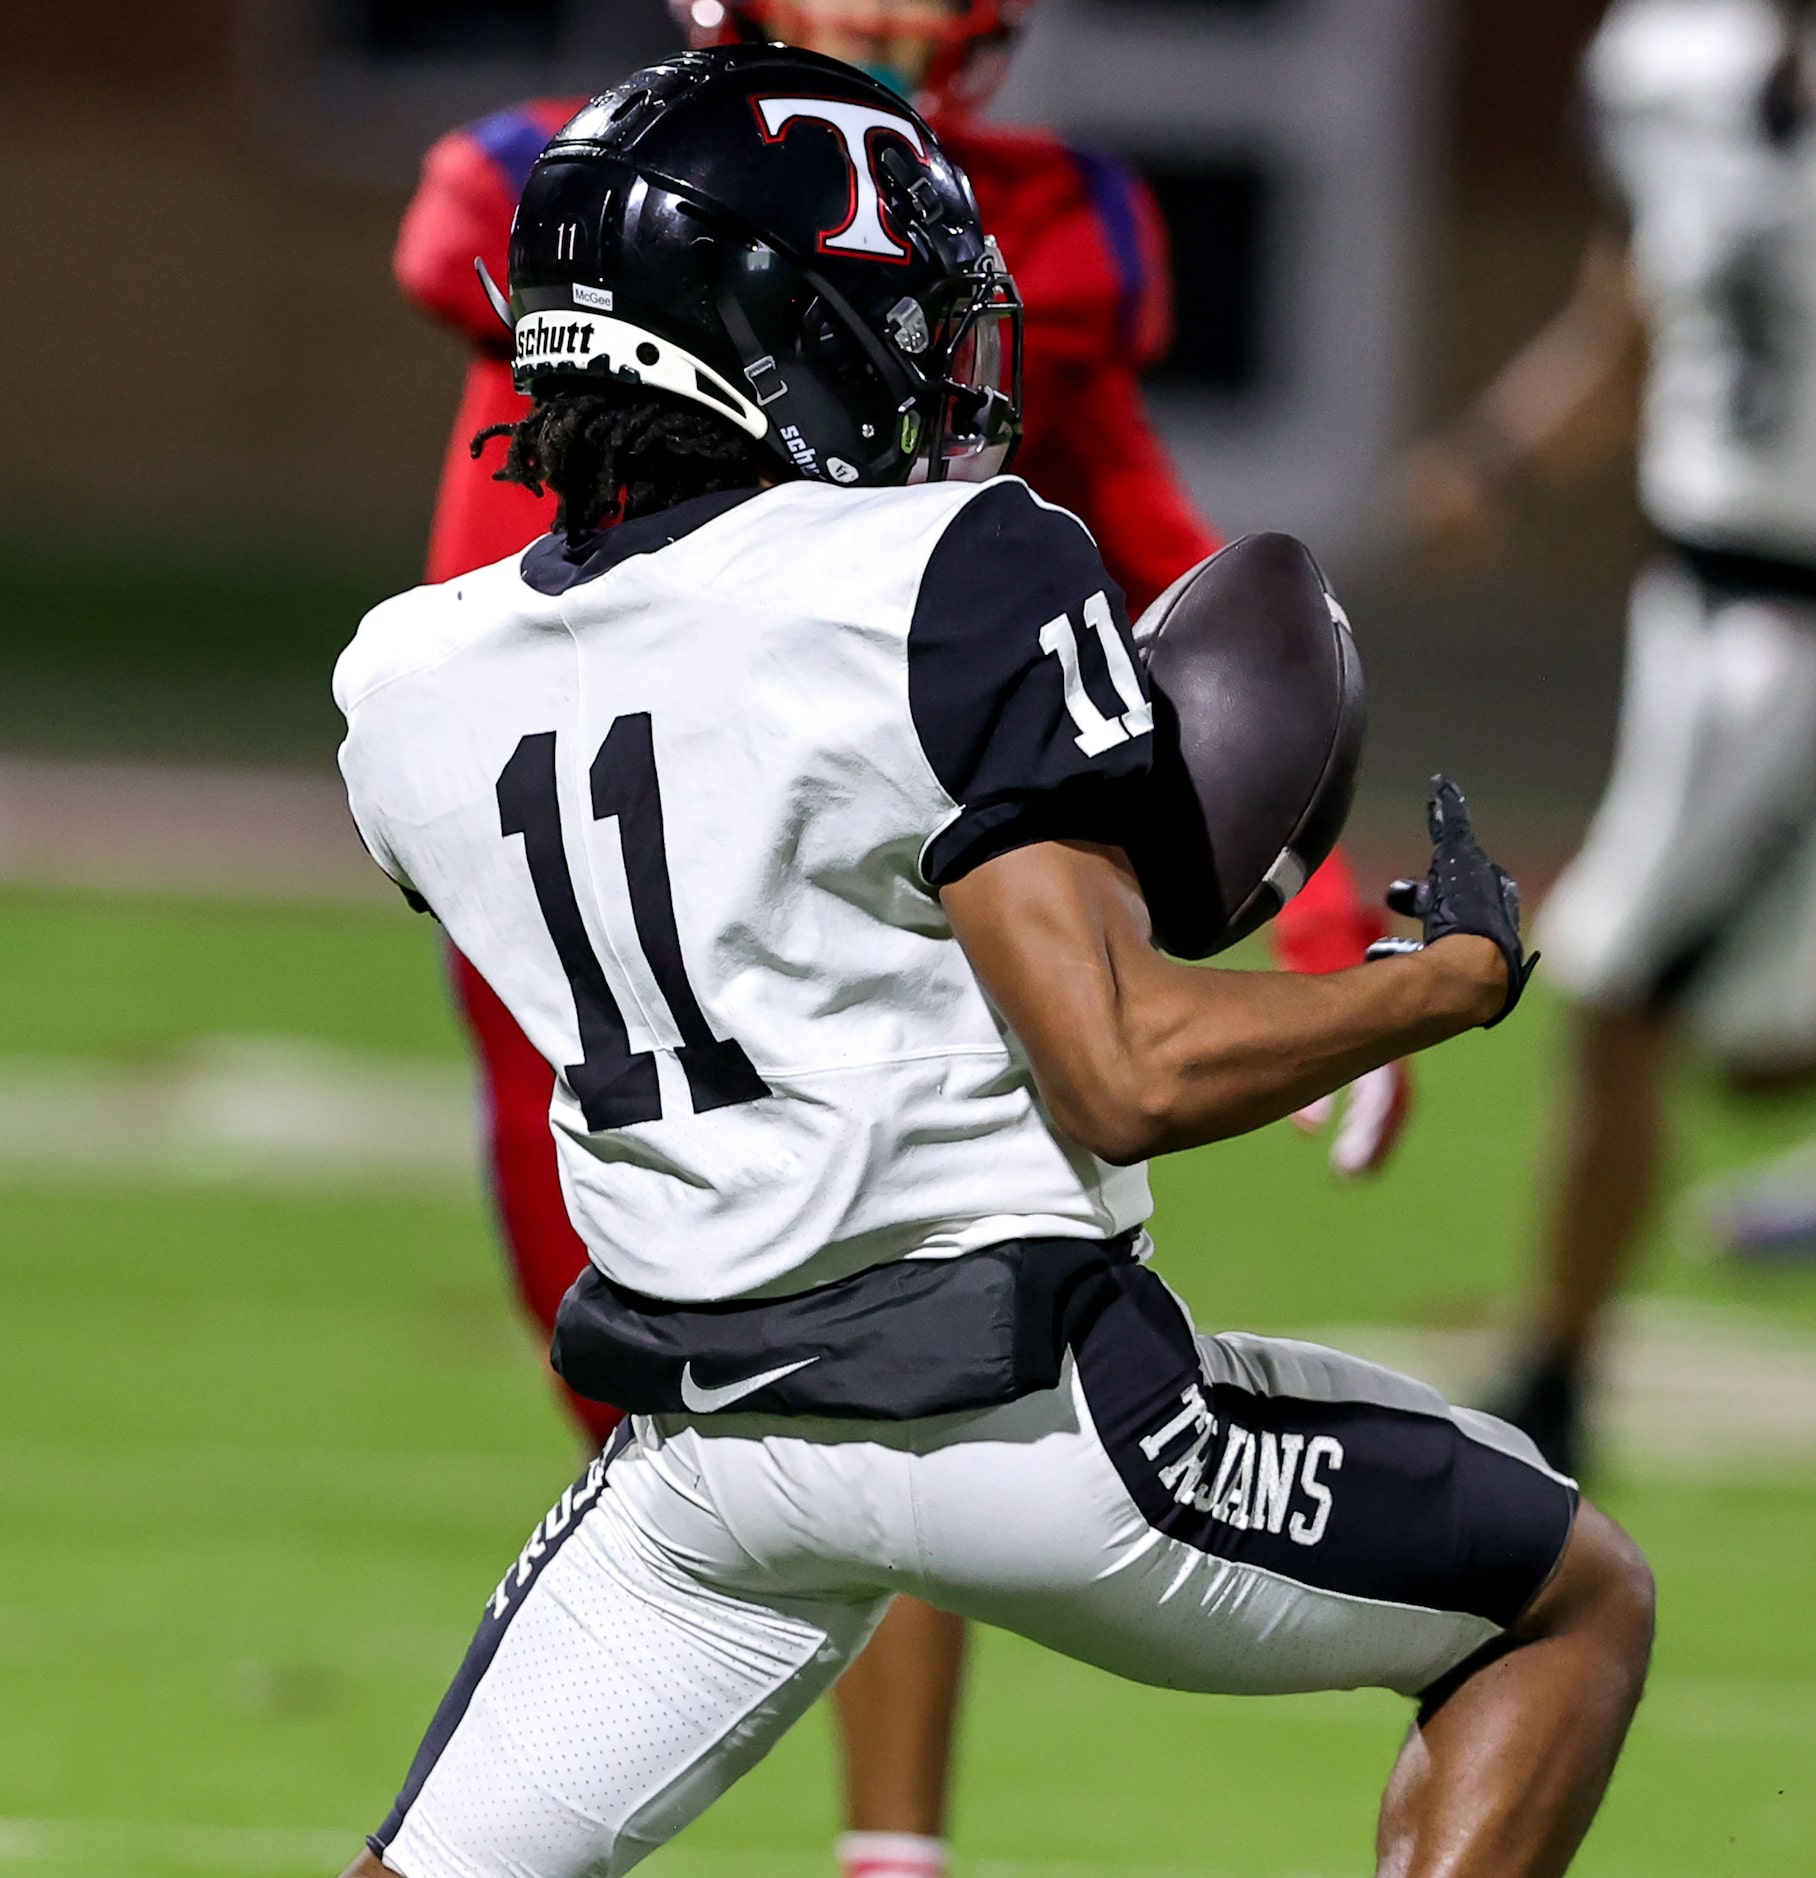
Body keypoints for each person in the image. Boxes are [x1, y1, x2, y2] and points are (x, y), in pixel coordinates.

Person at [334, 48, 1652, 1878]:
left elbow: (748, 874)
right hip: (1033, 1422)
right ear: (780, 328)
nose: (933, 359)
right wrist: (1441, 985)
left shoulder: (406, 684)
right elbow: (1125, 1069)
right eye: (895, 312)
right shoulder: (942, 570)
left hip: (699, 1459)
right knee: (1575, 1600)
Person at [1401, 0, 1816, 1476]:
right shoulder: (1665, 64)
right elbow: (1626, 307)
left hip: (1800, 638)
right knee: (1750, 1045)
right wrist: (1502, 459)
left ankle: (1556, 1370)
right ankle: (1560, 1359)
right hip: (1692, 608)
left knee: (1624, 982)